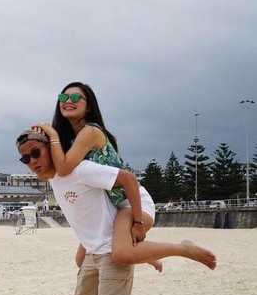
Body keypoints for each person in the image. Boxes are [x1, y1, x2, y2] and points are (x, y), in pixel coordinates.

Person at [17, 127, 216, 295]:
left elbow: (128, 179)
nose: (32, 161)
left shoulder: (81, 170)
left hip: (112, 245)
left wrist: (137, 223)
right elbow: (85, 215)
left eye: (36, 153)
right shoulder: (55, 180)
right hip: (94, 247)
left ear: (51, 149)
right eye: (25, 158)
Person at [35, 82, 217, 272]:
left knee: (121, 253)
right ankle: (145, 255)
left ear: (88, 106)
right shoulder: (69, 140)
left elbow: (63, 169)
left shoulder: (90, 131)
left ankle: (183, 248)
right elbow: (53, 168)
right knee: (82, 260)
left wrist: (138, 222)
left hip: (132, 202)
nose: (67, 101)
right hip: (112, 208)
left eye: (74, 98)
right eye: (63, 98)